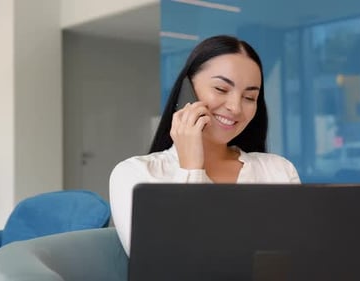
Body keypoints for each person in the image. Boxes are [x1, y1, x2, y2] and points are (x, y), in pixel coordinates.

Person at [109, 35, 300, 255]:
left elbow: (295, 260)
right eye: (221, 89)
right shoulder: (135, 174)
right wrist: (192, 169)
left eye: (249, 97)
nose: (235, 108)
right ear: (186, 90)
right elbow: (167, 265)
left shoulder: (279, 171)